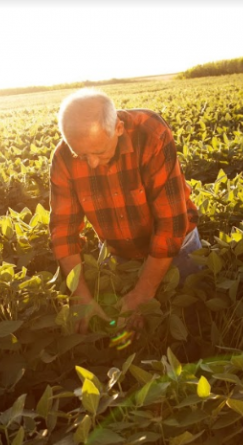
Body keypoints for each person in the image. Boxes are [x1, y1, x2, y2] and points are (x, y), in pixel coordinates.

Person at [49, 88, 201, 335]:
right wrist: (81, 297)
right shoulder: (64, 157)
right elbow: (64, 233)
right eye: (82, 155)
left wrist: (143, 293)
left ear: (118, 129)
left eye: (98, 152)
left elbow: (171, 225)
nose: (92, 163)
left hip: (176, 249)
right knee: (130, 331)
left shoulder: (150, 133)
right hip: (118, 253)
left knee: (190, 319)